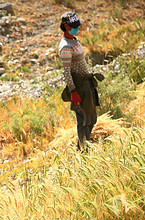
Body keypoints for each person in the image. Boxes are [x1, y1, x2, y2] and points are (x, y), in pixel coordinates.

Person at [58, 11, 104, 150]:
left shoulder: (74, 40)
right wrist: (73, 92)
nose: (78, 28)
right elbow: (66, 72)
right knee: (83, 120)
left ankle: (84, 146)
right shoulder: (65, 46)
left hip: (86, 84)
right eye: (74, 26)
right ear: (66, 26)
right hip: (78, 87)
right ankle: (83, 150)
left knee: (92, 118)